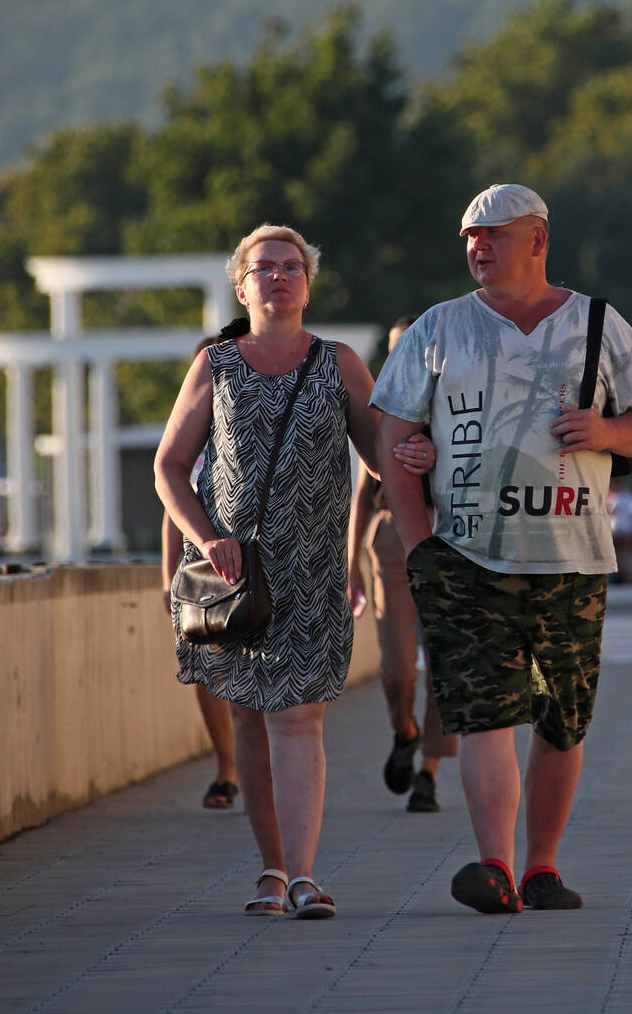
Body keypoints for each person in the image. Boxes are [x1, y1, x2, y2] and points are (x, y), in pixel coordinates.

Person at [371, 183, 632, 913]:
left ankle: (542, 868)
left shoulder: (599, 323)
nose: (477, 247)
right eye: (469, 236)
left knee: (564, 718)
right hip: (466, 559)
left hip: (573, 557)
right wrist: (420, 547)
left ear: (536, 239)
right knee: (483, 714)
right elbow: (391, 434)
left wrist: (606, 432)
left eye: (493, 234)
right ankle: (494, 868)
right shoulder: (438, 329)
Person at [154, 223, 432, 918]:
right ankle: (272, 870)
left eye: (291, 267)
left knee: (298, 719)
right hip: (235, 572)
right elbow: (168, 469)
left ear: (307, 283)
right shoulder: (215, 365)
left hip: (311, 572)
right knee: (250, 720)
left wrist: (412, 460)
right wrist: (206, 538)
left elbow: (378, 451)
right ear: (241, 284)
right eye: (264, 268)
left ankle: (303, 876)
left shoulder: (338, 363)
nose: (278, 277)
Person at [348, 315, 459, 813]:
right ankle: (404, 731)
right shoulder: (380, 407)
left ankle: (430, 773)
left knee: (446, 664)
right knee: (396, 666)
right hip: (391, 539)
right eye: (395, 348)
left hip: (449, 532)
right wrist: (350, 563)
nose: (404, 356)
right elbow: (363, 498)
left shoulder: (456, 404)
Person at [160, 332, 241, 809]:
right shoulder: (188, 435)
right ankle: (226, 768)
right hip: (201, 572)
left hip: (249, 562)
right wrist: (167, 577)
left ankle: (254, 763)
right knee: (210, 671)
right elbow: (171, 507)